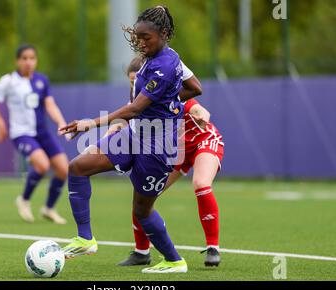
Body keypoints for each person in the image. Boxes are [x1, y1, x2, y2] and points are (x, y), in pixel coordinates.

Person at [60, 5, 191, 273]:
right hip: (135, 135)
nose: (140, 43)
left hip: (158, 147)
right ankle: (85, 239)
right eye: (138, 37)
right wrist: (171, 103)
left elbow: (133, 109)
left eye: (146, 38)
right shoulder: (164, 56)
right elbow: (194, 87)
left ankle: (175, 261)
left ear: (164, 34)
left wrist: (90, 123)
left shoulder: (164, 66)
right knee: (77, 168)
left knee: (142, 212)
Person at [111, 57, 224, 268]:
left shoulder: (167, 95)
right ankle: (141, 252)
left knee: (201, 184)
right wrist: (107, 135)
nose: (134, 85)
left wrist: (201, 115)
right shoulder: (137, 104)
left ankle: (213, 248)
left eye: (137, 80)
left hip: (203, 141)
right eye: (130, 82)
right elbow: (121, 122)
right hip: (175, 152)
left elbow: (198, 109)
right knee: (143, 195)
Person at [0, 44, 69, 224]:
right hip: (22, 134)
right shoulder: (8, 81)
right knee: (42, 165)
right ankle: (23, 200)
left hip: (42, 133)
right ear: (17, 61)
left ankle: (49, 208)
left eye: (32, 58)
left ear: (36, 61)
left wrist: (61, 122)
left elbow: (50, 104)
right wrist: (0, 123)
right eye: (24, 58)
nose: (28, 62)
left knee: (63, 168)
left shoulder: (41, 80)